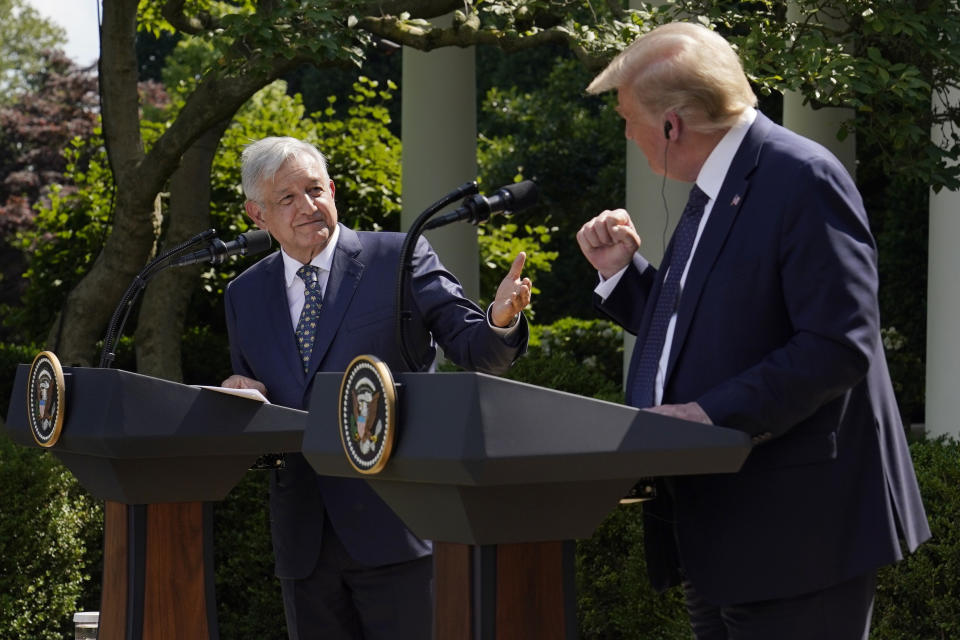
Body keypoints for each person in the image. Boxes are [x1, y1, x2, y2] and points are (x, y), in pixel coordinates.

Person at [576, 22, 930, 640]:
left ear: (672, 125)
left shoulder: (801, 178)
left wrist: (709, 415)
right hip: (724, 532)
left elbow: (838, 343)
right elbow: (718, 324)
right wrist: (624, 277)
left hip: (798, 538)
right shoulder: (720, 183)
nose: (626, 132)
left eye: (628, 117)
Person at [222, 136, 531, 639]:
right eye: (287, 198)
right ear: (257, 215)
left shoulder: (396, 258)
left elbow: (475, 348)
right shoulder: (244, 295)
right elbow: (260, 402)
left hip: (399, 526)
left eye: (315, 189)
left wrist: (499, 319)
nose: (308, 206)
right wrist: (235, 397)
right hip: (304, 539)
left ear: (334, 190)